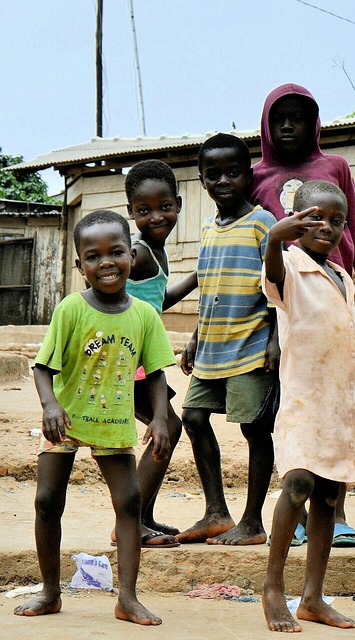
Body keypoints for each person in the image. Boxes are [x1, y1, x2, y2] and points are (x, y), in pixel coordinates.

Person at [14, 209, 177, 625]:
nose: (106, 262)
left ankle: (127, 598)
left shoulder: (143, 314)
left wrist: (160, 418)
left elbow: (156, 373)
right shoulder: (71, 308)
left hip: (113, 423)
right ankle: (50, 592)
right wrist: (50, 405)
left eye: (116, 252)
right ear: (80, 265)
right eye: (93, 256)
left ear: (132, 256)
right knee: (47, 502)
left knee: (129, 503)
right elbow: (42, 367)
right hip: (64, 422)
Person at [250, 82, 355, 547]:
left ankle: (337, 511)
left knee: (342, 398)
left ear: (315, 123)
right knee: (295, 403)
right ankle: (297, 513)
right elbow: (255, 241)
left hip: (336, 293)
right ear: (266, 125)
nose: (288, 126)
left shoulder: (335, 166)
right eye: (279, 118)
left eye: (299, 117)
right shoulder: (257, 175)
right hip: (286, 290)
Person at [262, 180, 355, 632]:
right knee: (298, 484)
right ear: (295, 220)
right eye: (315, 218)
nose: (326, 227)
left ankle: (312, 597)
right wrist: (275, 240)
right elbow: (273, 276)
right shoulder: (289, 264)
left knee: (330, 495)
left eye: (336, 221)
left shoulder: (343, 277)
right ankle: (273, 589)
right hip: (304, 399)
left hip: (340, 404)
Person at [176, 133, 278, 546]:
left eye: (232, 172)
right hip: (212, 346)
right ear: (202, 180)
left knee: (254, 428)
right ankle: (216, 511)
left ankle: (252, 522)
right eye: (213, 174)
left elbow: (277, 286)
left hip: (251, 344)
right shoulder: (207, 229)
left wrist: (275, 340)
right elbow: (209, 287)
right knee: (193, 417)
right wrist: (195, 337)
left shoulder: (262, 223)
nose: (223, 181)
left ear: (248, 176)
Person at [109, 160, 197, 548]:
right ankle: (129, 523)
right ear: (131, 212)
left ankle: (142, 517)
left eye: (165, 207)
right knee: (169, 428)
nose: (156, 217)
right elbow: (107, 285)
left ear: (178, 204)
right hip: (126, 362)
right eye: (144, 210)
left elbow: (159, 299)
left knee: (169, 429)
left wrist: (199, 276)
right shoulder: (138, 253)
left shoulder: (156, 252)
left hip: (141, 362)